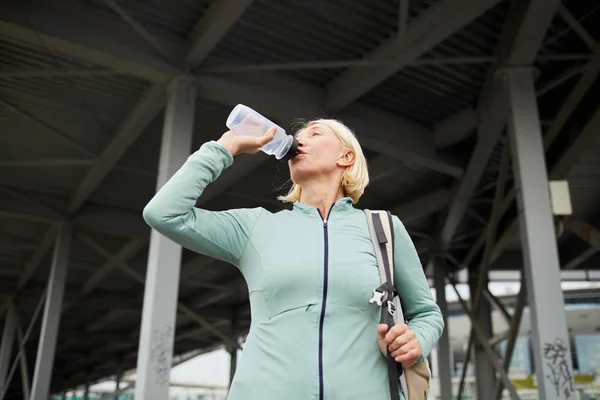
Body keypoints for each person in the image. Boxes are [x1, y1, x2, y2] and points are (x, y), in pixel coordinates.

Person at [143, 118, 444, 400]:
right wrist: (223, 149)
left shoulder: (384, 229)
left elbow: (428, 313)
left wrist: (416, 339)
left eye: (314, 133)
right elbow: (164, 214)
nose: (299, 140)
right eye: (297, 137)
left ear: (346, 158)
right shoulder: (256, 227)